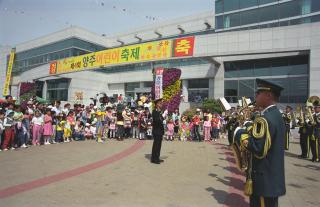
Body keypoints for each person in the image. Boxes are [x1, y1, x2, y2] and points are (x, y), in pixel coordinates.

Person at [234, 78, 286, 207]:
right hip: (270, 178)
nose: (255, 96)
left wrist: (239, 133)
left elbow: (258, 149)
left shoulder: (265, 119)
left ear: (268, 95)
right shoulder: (274, 115)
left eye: (258, 93)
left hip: (263, 179)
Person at [151, 98, 166, 164]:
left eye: (161, 103)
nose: (161, 104)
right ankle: (154, 159)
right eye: (160, 103)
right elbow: (157, 121)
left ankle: (157, 157)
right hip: (156, 131)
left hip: (160, 130)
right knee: (156, 145)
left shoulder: (160, 111)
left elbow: (161, 120)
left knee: (159, 145)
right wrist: (163, 115)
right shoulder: (154, 111)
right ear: (156, 104)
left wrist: (164, 115)